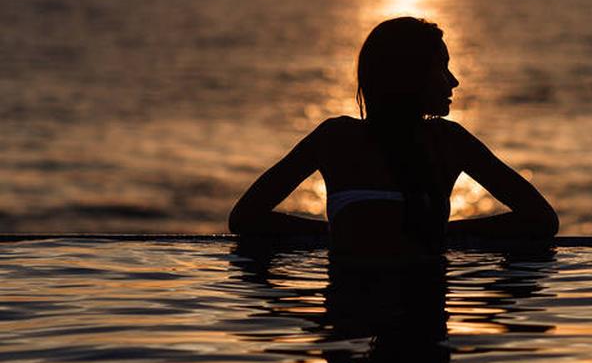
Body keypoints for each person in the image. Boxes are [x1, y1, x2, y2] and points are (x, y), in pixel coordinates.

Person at [228, 17, 558, 260]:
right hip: (421, 338)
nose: (454, 82)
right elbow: (540, 220)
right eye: (442, 69)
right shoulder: (447, 142)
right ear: (410, 76)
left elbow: (246, 218)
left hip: (348, 337)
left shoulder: (336, 138)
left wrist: (342, 234)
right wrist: (438, 236)